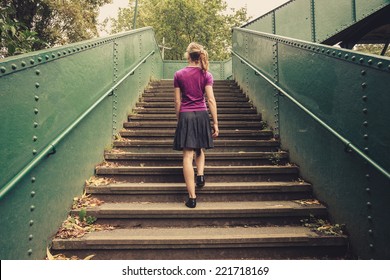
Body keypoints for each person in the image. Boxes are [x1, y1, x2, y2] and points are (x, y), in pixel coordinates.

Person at [173, 42, 219, 208]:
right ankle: (200, 174)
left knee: (187, 155)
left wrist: (180, 119)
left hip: (186, 114)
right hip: (201, 114)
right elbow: (211, 100)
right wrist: (215, 122)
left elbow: (177, 100)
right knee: (200, 148)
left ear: (188, 55)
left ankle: (192, 198)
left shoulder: (179, 74)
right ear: (199, 56)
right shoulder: (206, 74)